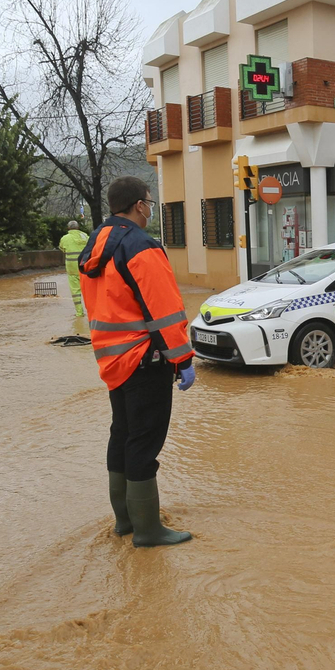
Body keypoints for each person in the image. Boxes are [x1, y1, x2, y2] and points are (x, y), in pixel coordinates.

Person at [78, 177, 196, 548]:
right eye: (149, 201)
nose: (150, 207)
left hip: (111, 360)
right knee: (145, 442)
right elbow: (164, 311)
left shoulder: (94, 247)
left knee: (123, 434)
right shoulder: (141, 246)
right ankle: (148, 530)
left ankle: (125, 522)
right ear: (138, 206)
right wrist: (183, 359)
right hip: (146, 359)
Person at [59, 219, 91, 317]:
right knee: (88, 289)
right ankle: (91, 312)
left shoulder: (65, 238)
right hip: (85, 266)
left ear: (68, 228)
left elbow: (62, 249)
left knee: (75, 291)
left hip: (72, 267)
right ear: (78, 227)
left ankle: (79, 313)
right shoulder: (85, 236)